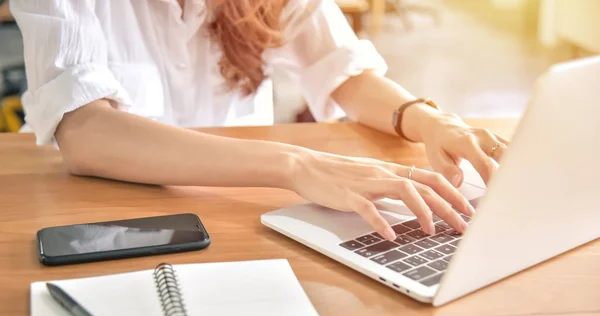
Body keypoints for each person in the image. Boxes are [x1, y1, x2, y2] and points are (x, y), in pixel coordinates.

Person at [11, 0, 508, 241]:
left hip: (244, 223)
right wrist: (295, 164)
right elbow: (84, 131)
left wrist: (425, 120)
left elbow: (343, 71)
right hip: (102, 224)